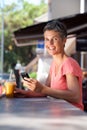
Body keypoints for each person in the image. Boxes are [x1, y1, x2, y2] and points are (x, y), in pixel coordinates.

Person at [15, 20, 84, 110]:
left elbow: (75, 96)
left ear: (64, 40)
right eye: (47, 39)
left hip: (72, 116)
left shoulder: (69, 64)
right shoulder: (54, 64)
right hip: (59, 115)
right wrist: (25, 93)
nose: (50, 43)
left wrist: (43, 89)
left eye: (54, 39)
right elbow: (45, 91)